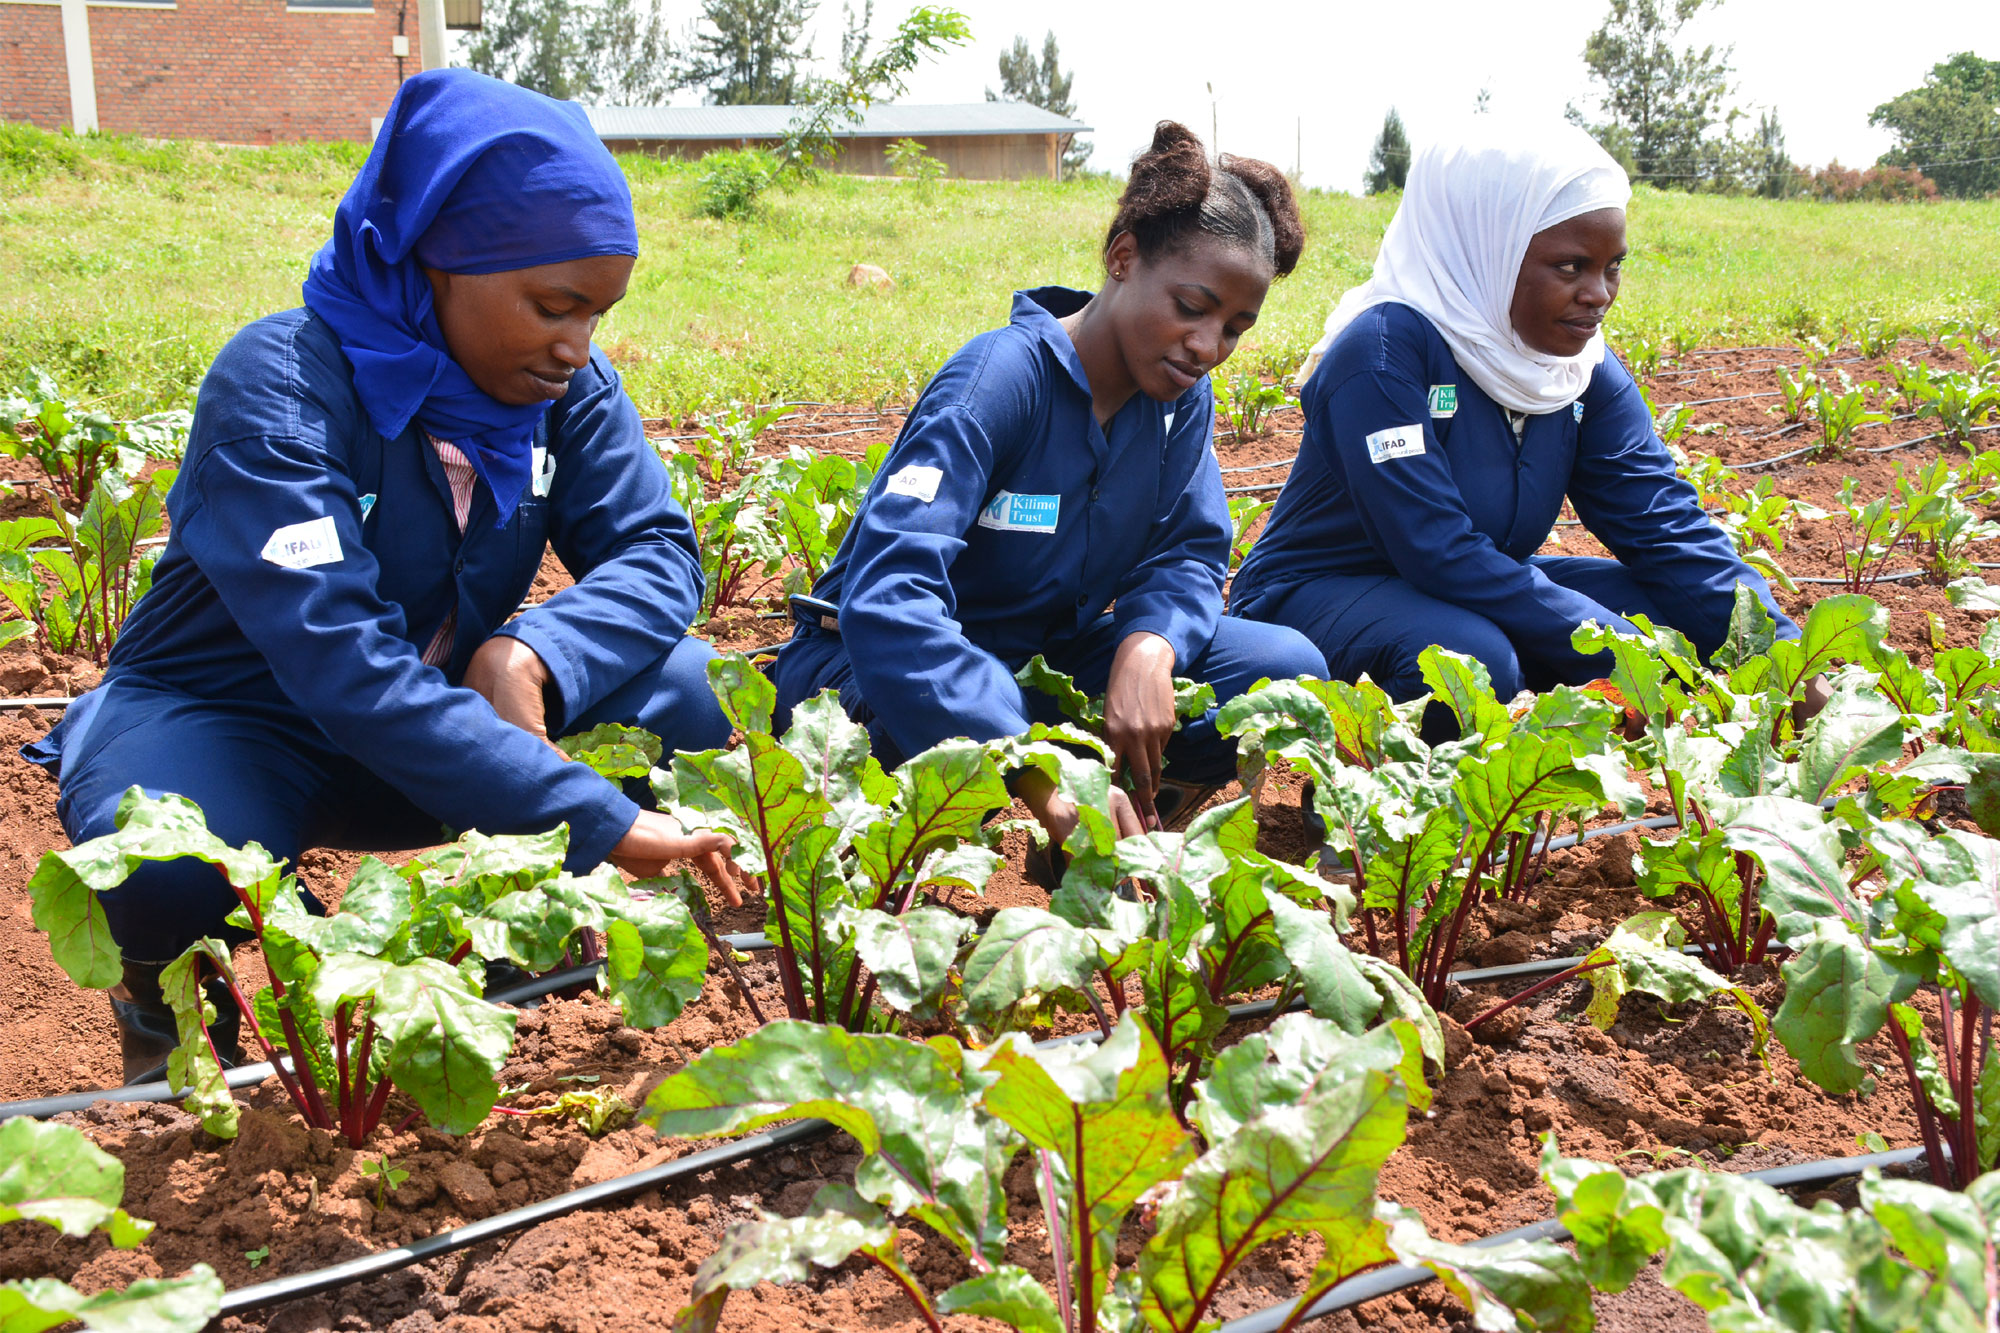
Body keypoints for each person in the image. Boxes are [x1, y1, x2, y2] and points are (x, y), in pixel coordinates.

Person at [23, 70, 740, 1082]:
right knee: (164, 856)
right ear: (434, 261)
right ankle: (171, 1013)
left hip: (432, 729)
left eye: (598, 313)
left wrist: (529, 653)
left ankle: (503, 955)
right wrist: (594, 818)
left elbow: (657, 550)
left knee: (689, 691)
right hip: (237, 725)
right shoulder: (281, 390)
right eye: (554, 306)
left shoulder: (559, 391)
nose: (577, 347)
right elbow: (346, 667)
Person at [772, 122, 1328, 863]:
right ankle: (1040, 809)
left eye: (1235, 327)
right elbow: (888, 602)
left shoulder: (1178, 400)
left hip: (1042, 665)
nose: (1207, 346)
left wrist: (1150, 644)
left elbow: (1189, 552)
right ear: (1122, 258)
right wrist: (1039, 771)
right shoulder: (999, 382)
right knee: (896, 730)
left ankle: (1128, 819)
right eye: (1192, 307)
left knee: (1279, 667)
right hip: (884, 669)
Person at [1231, 118, 1799, 740]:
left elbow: (1665, 523)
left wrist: (1786, 658)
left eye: (1612, 267)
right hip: (1320, 593)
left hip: (1467, 588)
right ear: (1488, 249)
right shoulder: (1383, 354)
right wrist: (1623, 654)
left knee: (1675, 616)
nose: (1598, 294)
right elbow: (1436, 549)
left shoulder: (1579, 370)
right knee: (1469, 663)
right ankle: (1372, 783)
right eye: (1570, 266)